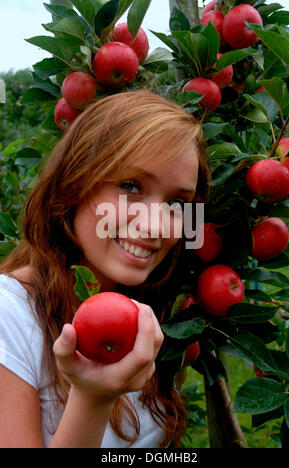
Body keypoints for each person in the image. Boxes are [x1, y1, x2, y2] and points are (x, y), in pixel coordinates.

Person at [0, 90, 210, 448]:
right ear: (74, 181)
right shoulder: (10, 317)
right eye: (130, 186)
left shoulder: (153, 312)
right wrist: (92, 399)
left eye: (176, 203)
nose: (156, 224)